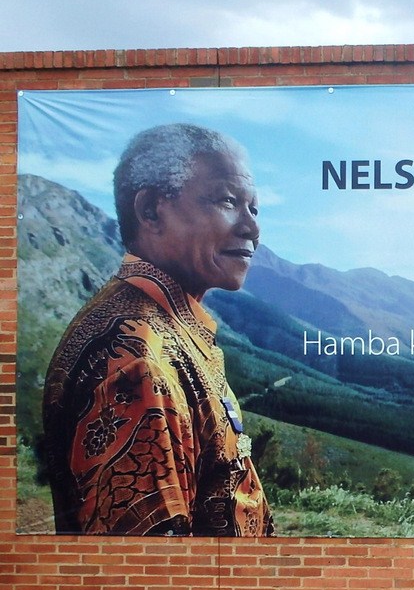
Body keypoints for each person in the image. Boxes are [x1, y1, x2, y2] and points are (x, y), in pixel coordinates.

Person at [42, 123, 273, 536]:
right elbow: (151, 571)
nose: (251, 228)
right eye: (227, 200)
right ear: (150, 210)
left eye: (253, 208)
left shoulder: (161, 327)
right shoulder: (138, 361)